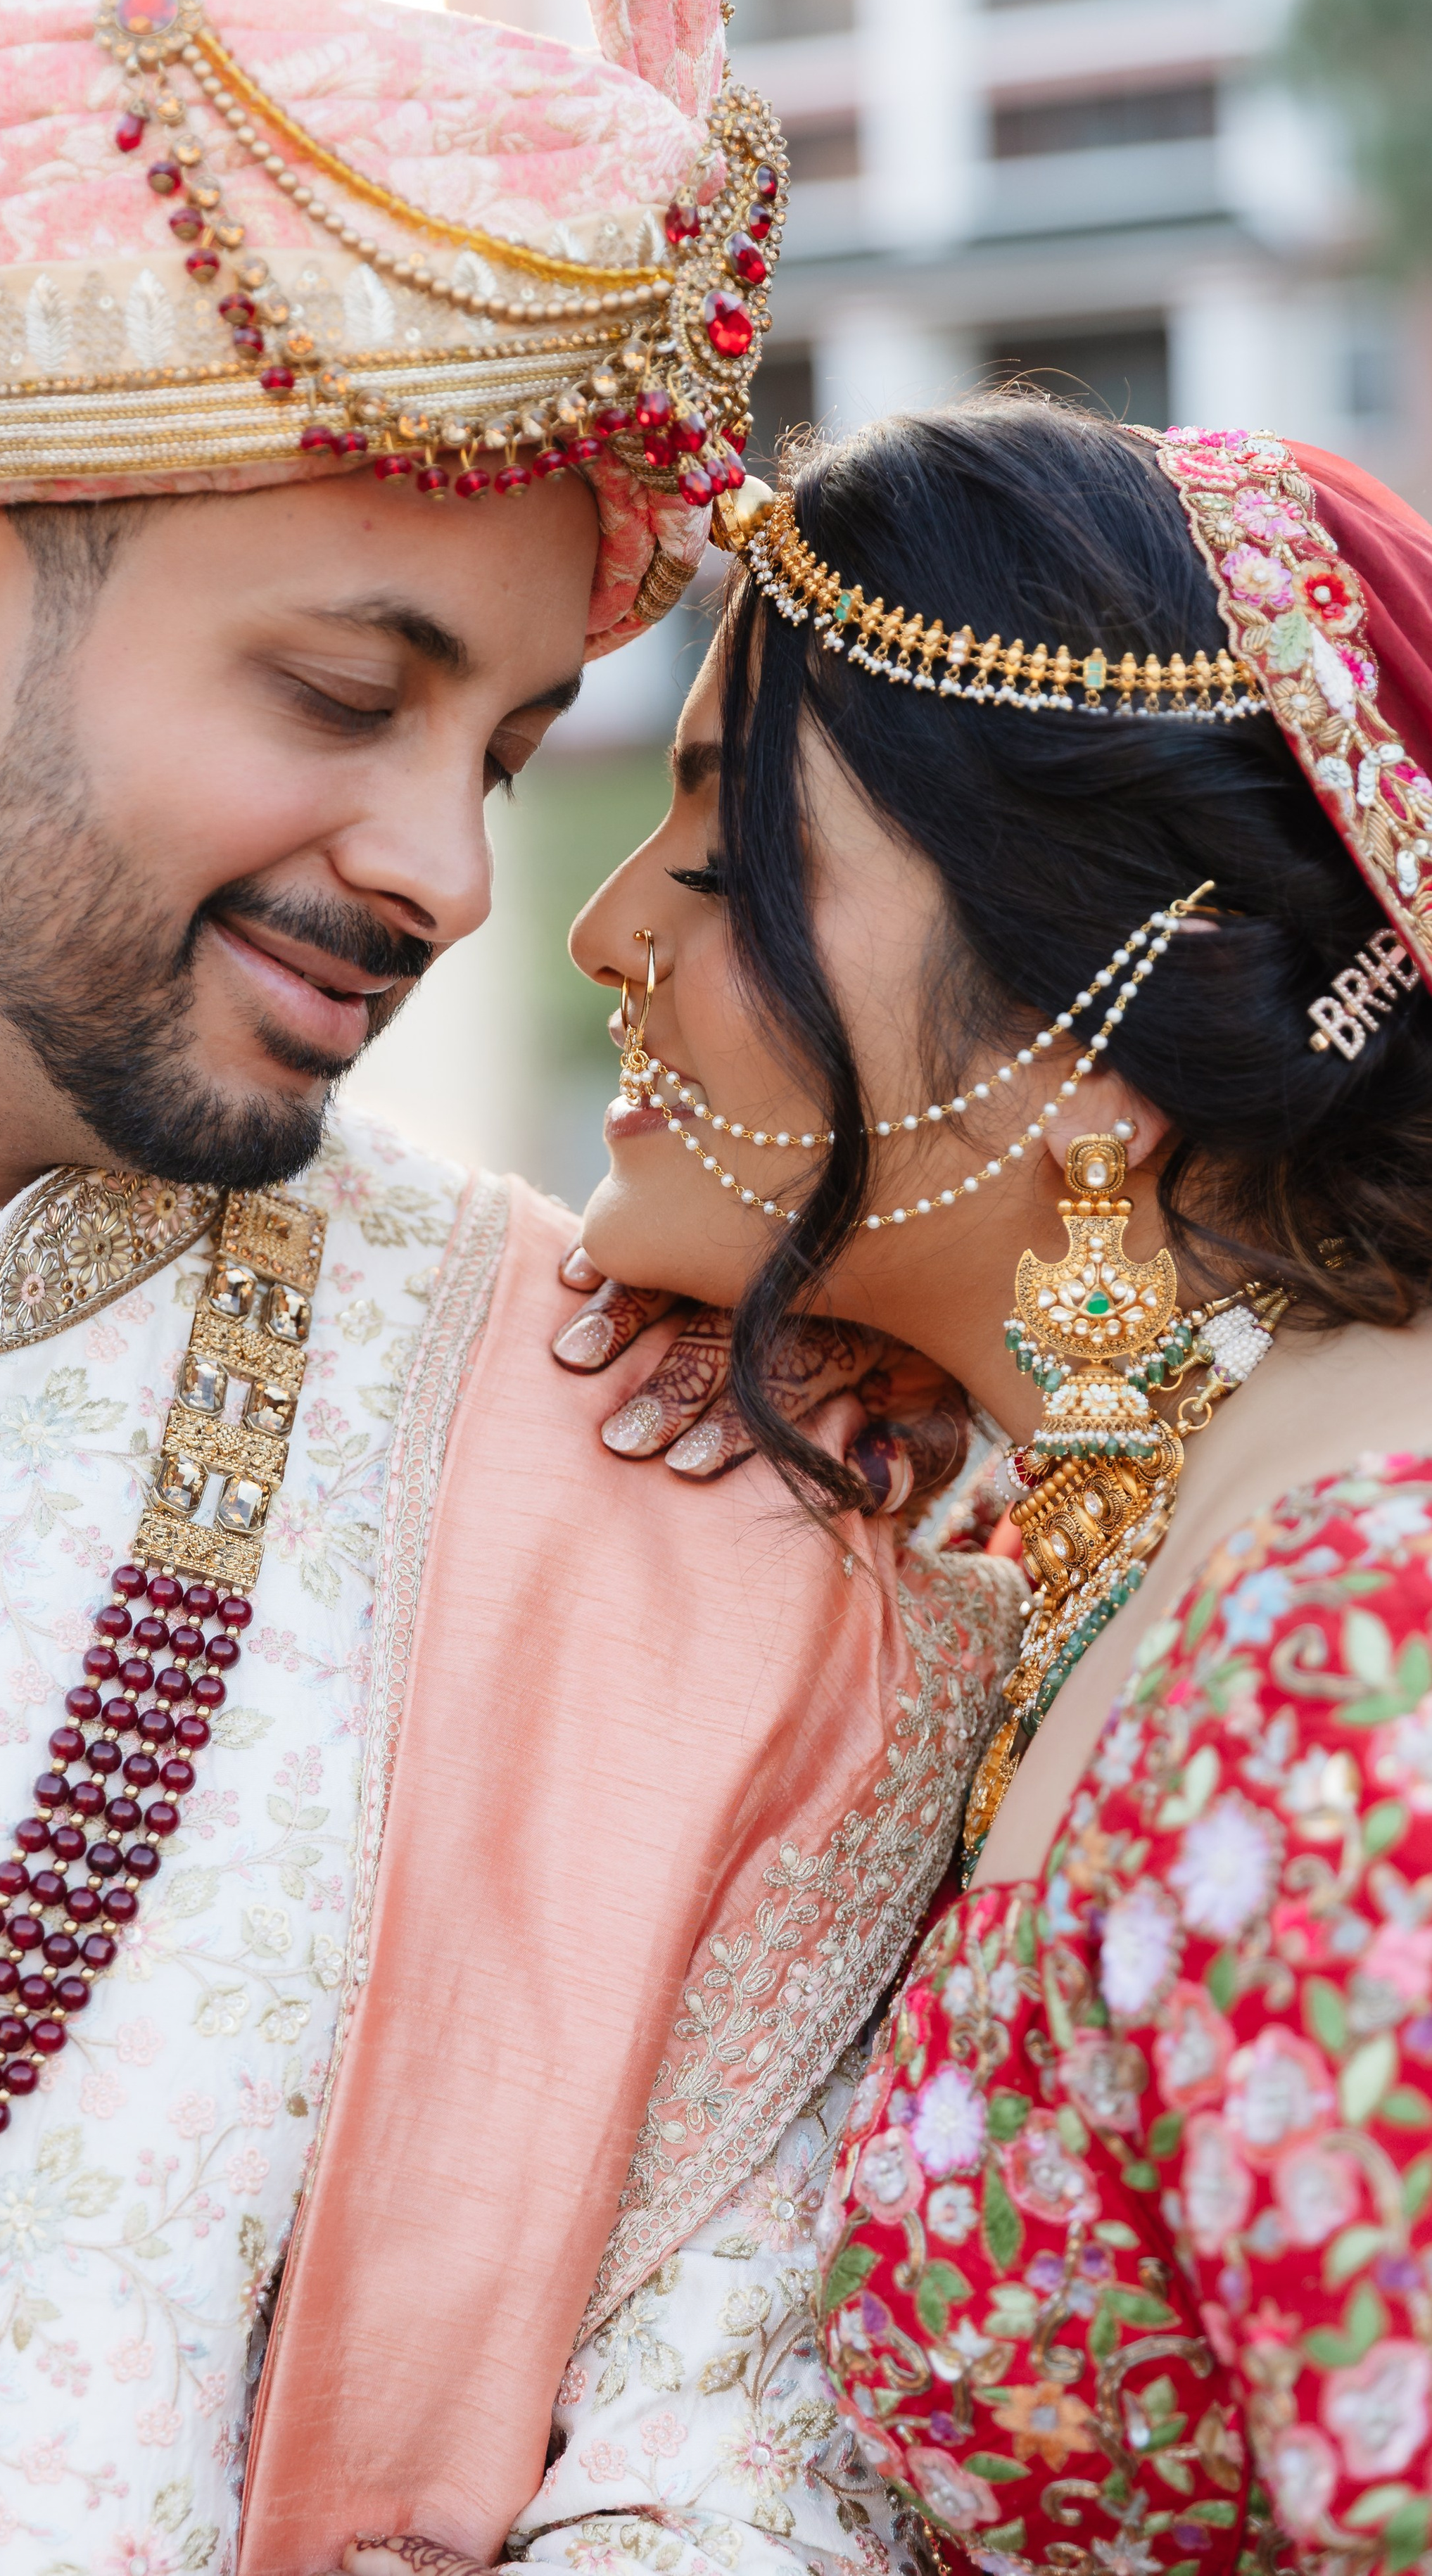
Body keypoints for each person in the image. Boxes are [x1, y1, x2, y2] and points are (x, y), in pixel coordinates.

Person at [0, 0, 1025, 2570]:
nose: (451, 873)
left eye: (506, 749)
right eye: (344, 694)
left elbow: (741, 2463)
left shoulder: (667, 1515)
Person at [556, 392, 1432, 2576]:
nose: (603, 931)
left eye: (729, 847)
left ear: (1118, 1022)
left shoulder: (1359, 1653)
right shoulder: (1131, 1555)